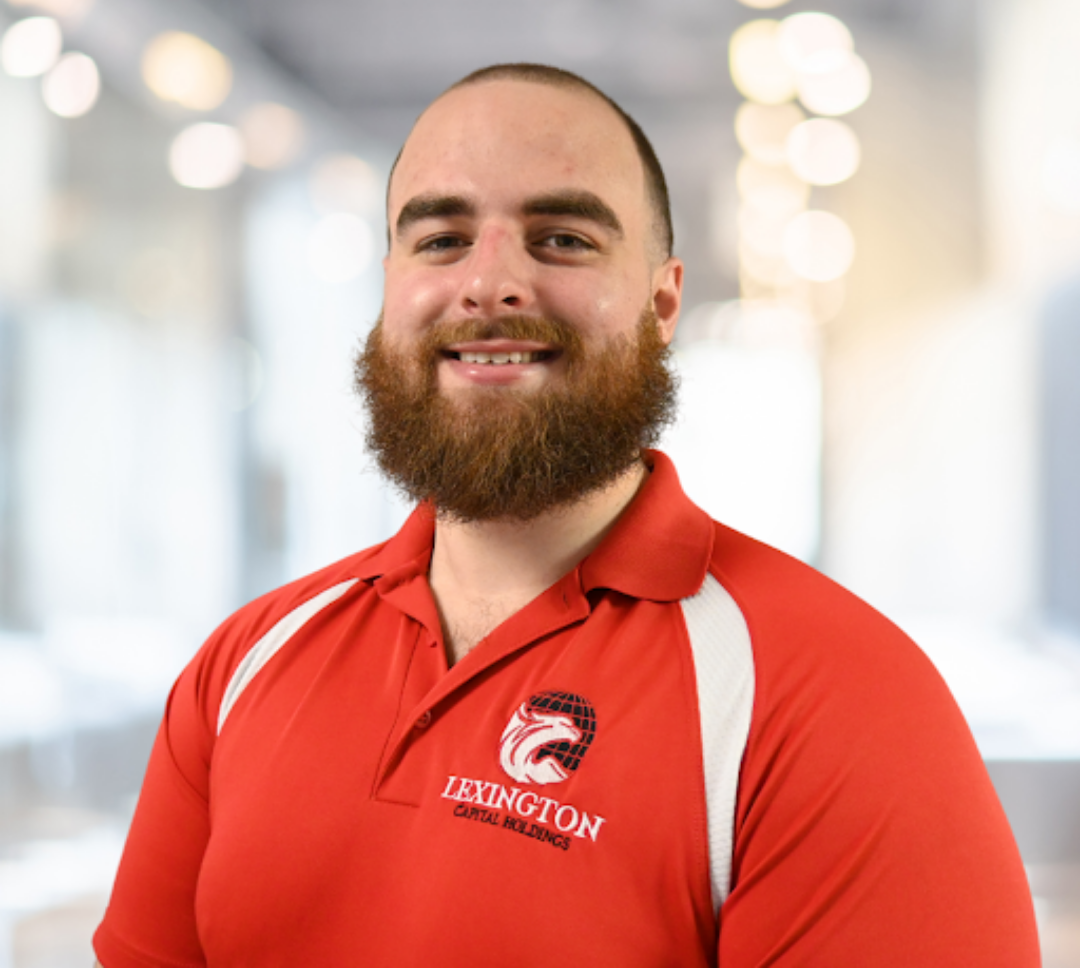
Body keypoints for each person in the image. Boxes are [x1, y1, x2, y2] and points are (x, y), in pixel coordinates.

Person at [93, 64, 1040, 967]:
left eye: (563, 239)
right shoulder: (245, 663)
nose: (489, 284)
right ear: (388, 288)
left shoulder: (837, 702)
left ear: (662, 303)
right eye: (440, 239)